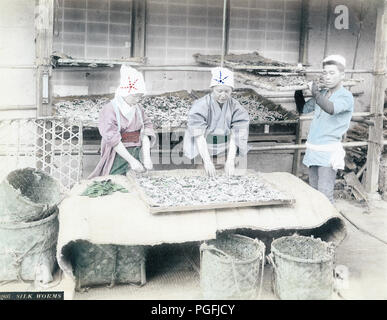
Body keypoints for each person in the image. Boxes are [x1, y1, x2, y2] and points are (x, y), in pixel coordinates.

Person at [294, 54, 354, 203]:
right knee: (314, 192)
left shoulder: (346, 96)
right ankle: (318, 225)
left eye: (332, 73)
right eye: (325, 73)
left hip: (328, 152)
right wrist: (298, 88)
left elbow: (330, 108)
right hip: (314, 149)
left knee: (325, 195)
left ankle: (332, 225)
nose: (327, 77)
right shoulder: (323, 93)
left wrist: (313, 91)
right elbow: (303, 108)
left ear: (342, 75)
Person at [88, 65, 156, 179]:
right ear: (125, 92)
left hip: (136, 152)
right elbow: (113, 139)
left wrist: (146, 157)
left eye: (140, 97)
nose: (138, 100)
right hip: (118, 154)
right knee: (115, 181)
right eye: (135, 96)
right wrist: (132, 161)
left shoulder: (138, 108)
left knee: (136, 182)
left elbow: (146, 130)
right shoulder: (109, 110)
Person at [183, 67, 250, 176]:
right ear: (212, 89)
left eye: (227, 91)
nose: (223, 95)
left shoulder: (236, 107)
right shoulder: (200, 106)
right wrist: (207, 161)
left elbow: (237, 135)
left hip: (226, 152)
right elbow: (198, 135)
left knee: (229, 179)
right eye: (219, 91)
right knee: (204, 177)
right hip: (203, 152)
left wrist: (230, 160)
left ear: (232, 91)